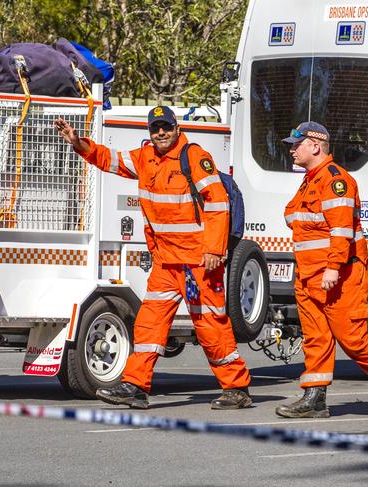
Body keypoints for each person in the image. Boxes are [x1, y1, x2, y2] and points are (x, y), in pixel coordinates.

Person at [54, 106, 252, 410]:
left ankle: (236, 388)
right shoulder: (145, 158)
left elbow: (218, 203)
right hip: (166, 261)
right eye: (155, 128)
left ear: (175, 127)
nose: (161, 132)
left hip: (199, 261)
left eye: (166, 127)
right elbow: (108, 158)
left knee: (210, 325)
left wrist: (214, 250)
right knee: (148, 325)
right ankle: (135, 386)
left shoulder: (194, 157)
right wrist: (77, 142)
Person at [276, 121, 368, 418]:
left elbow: (341, 230)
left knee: (351, 337)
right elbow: (292, 214)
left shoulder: (336, 180)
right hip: (310, 273)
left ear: (315, 145)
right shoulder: (310, 179)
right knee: (316, 337)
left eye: (296, 144)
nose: (292, 150)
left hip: (339, 274)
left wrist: (333, 268)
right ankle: (314, 398)